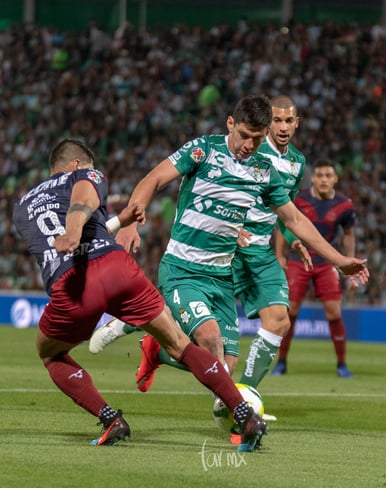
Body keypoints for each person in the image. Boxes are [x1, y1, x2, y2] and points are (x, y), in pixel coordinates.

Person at [89, 96, 368, 396]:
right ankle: (241, 414)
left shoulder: (265, 171)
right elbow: (154, 179)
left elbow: (294, 219)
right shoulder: (203, 150)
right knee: (210, 339)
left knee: (224, 366)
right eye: (244, 136)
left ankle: (160, 354)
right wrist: (130, 220)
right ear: (230, 124)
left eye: (257, 139)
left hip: (222, 275)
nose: (249, 145)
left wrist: (338, 259)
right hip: (184, 267)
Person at [12, 138, 269, 452]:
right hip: (115, 268)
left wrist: (117, 221)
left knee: (50, 354)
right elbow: (83, 198)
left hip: (74, 286)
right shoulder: (84, 176)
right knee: (179, 343)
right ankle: (244, 414)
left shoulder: (22, 206)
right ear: (77, 165)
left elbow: (73, 230)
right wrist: (76, 227)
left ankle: (110, 419)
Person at [233, 95, 309, 404]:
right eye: (276, 120)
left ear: (296, 123)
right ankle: (134, 327)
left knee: (279, 318)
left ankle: (246, 394)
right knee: (194, 328)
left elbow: (285, 211)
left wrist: (294, 238)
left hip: (259, 250)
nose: (282, 127)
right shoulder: (250, 146)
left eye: (288, 120)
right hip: (227, 242)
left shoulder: (297, 162)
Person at [271, 159, 357, 378]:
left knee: (334, 312)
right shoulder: (299, 200)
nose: (324, 179)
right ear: (313, 178)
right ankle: (281, 362)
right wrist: (280, 254)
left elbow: (348, 235)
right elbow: (283, 226)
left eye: (328, 175)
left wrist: (348, 261)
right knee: (290, 311)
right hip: (298, 260)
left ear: (335, 178)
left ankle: (341, 364)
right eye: (320, 175)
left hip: (326, 263)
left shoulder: (344, 205)